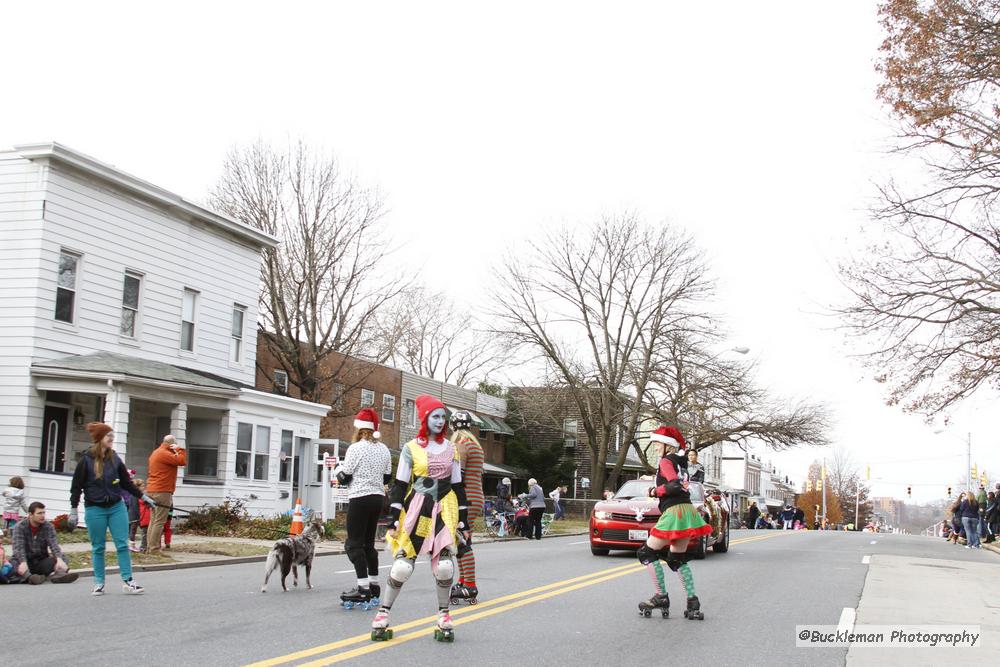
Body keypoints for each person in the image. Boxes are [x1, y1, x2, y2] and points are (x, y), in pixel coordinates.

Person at [372, 395, 470, 642]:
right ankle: (383, 614)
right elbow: (400, 484)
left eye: (443, 417)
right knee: (404, 565)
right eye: (435, 416)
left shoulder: (452, 449)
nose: (440, 421)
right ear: (425, 419)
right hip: (419, 509)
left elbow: (458, 486)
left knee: (446, 566)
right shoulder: (411, 448)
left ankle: (444, 615)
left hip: (445, 509)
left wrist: (464, 520)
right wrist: (393, 517)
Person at [636, 425, 713, 621]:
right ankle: (692, 602)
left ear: (666, 445)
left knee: (646, 552)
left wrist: (654, 492)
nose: (655, 448)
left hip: (674, 511)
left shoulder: (666, 461)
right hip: (686, 510)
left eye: (656, 444)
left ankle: (661, 596)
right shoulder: (682, 462)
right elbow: (679, 482)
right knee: (677, 559)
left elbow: (673, 485)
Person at [70, 422, 154, 595]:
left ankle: (128, 581)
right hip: (95, 509)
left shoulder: (115, 458)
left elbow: (126, 483)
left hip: (116, 507)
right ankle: (99, 583)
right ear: (100, 438)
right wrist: (73, 509)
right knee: (98, 547)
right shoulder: (86, 460)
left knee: (122, 544)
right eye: (109, 436)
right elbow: (76, 486)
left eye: (112, 436)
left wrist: (143, 497)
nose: (112, 438)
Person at [337, 407, 393, 609]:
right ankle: (374, 585)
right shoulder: (384, 449)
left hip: (359, 498)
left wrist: (337, 470)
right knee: (369, 544)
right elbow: (387, 477)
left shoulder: (355, 448)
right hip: (377, 499)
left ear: (359, 429)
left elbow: (345, 476)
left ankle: (362, 589)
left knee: (353, 545)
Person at [449, 410, 485, 603]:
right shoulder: (476, 445)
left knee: (462, 542)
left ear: (453, 426)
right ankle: (463, 582)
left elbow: (457, 476)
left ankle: (470, 585)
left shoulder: (461, 444)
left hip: (465, 498)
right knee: (459, 541)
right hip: (475, 496)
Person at [9, 502, 79, 585]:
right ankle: (30, 578)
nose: (42, 516)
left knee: (63, 557)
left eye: (43, 513)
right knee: (13, 563)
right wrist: (23, 562)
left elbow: (54, 545)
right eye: (39, 513)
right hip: (24, 562)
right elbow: (18, 548)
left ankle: (59, 575)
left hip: (40, 561)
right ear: (31, 514)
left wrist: (59, 559)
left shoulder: (48, 526)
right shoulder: (20, 527)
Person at [145, 434, 186, 554]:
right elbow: (182, 461)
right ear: (171, 444)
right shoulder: (165, 453)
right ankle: (154, 549)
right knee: (159, 521)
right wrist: (180, 449)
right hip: (162, 490)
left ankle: (150, 546)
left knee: (153, 520)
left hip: (152, 489)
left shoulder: (156, 452)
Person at [125, 473, 141, 552]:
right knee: (133, 531)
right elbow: (135, 506)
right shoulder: (135, 495)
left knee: (130, 531)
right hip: (134, 516)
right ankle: (131, 546)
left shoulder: (131, 495)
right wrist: (139, 516)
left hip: (129, 514)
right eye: (142, 486)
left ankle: (128, 545)